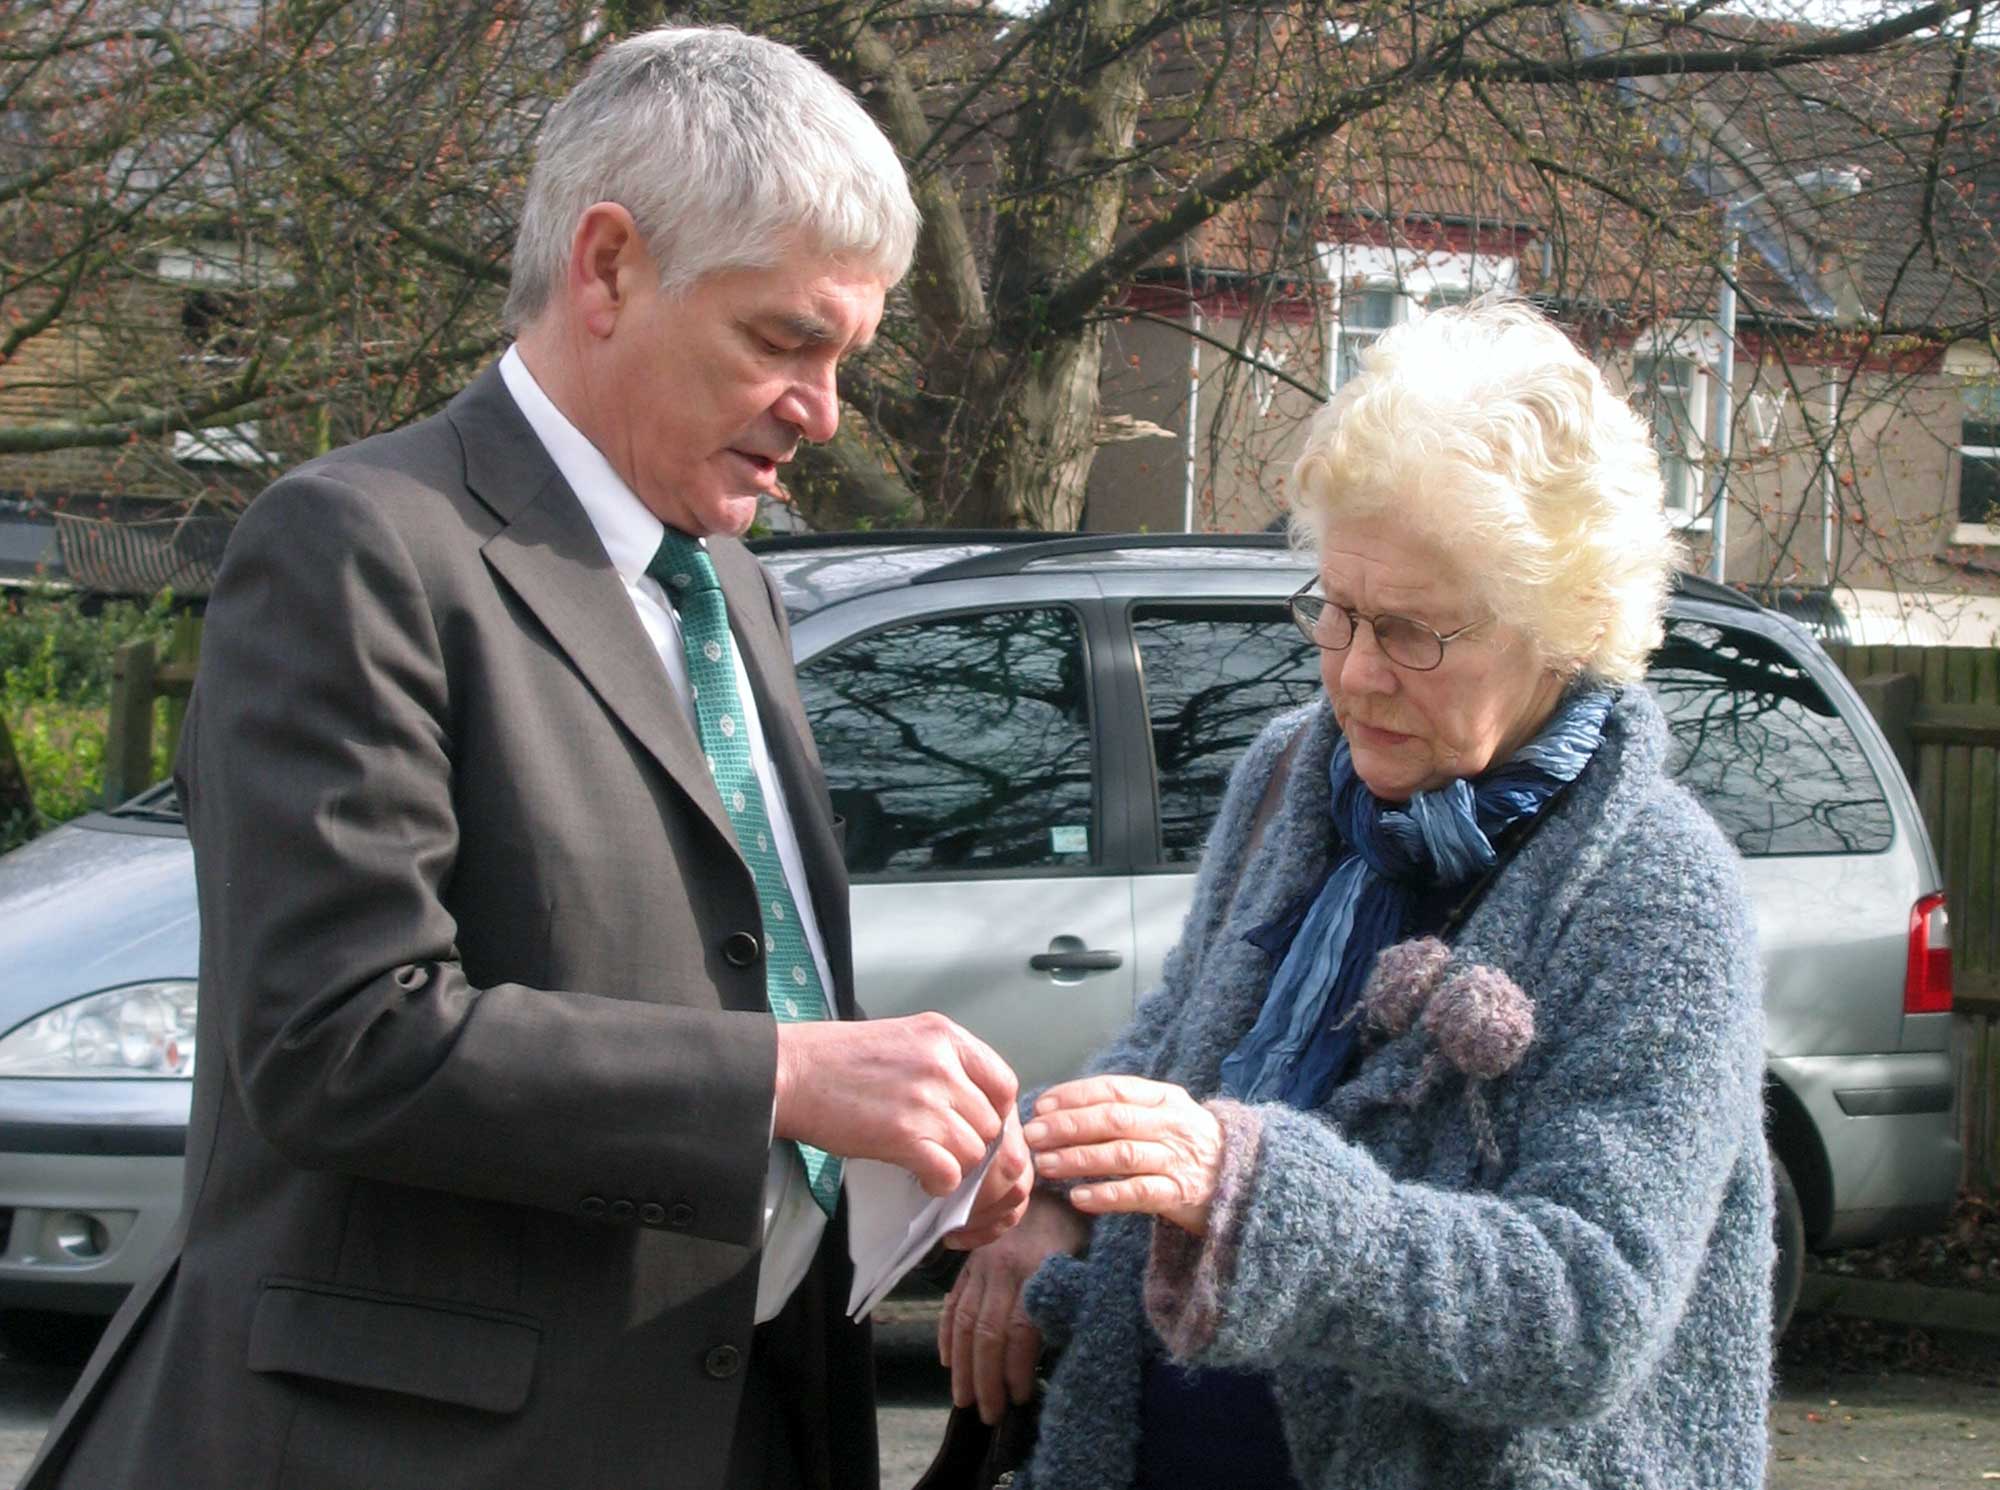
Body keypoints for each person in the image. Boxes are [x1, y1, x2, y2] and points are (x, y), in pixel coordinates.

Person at [24, 27, 1030, 1490]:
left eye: (845, 358)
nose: (821, 410)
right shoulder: (356, 544)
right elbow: (338, 1042)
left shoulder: (727, 582)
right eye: (783, 339)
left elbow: (736, 980)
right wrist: (790, 1080)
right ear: (608, 266)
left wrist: (900, 1169)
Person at [941, 298, 1773, 1489]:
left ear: (1562, 627)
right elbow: (1181, 1041)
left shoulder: (1652, 886)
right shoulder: (1294, 770)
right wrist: (1058, 1191)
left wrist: (1248, 1192)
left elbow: (1587, 1308)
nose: (1354, 672)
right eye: (1333, 610)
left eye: (1413, 632)